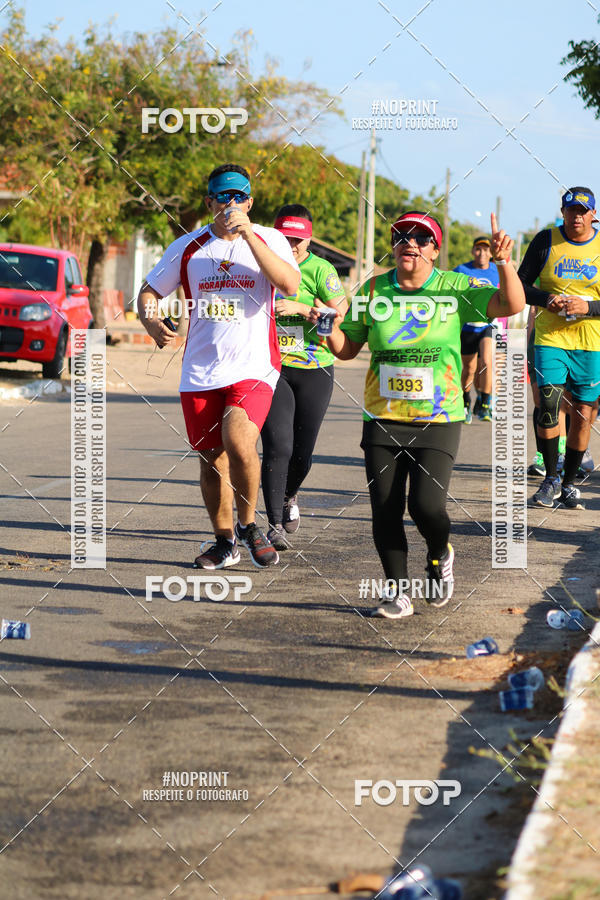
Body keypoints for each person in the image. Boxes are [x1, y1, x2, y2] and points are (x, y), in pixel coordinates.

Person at [315, 211, 525, 619]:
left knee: (427, 507)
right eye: (401, 236)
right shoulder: (373, 291)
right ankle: (397, 593)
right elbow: (346, 348)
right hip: (383, 417)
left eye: (421, 237)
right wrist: (326, 326)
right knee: (386, 508)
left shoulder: (455, 286)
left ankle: (439, 553)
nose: (410, 242)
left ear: (435, 249)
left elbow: (510, 304)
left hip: (440, 417)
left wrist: (503, 262)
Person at [137, 163, 300, 568]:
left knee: (239, 441)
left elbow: (289, 285)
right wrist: (152, 321)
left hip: (254, 366)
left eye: (240, 195)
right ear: (209, 201)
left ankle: (248, 525)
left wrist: (247, 234)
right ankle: (224, 541)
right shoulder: (188, 247)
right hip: (200, 370)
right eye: (223, 196)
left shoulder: (270, 238)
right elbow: (148, 292)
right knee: (211, 459)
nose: (232, 203)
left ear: (250, 200)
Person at [260, 204, 348, 549]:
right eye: (284, 238)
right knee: (277, 445)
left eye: (298, 240)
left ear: (309, 240)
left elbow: (338, 319)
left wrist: (303, 309)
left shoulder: (321, 270)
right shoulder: (262, 263)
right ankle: (274, 525)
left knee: (303, 452)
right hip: (270, 368)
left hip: (315, 366)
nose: (291, 245)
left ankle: (289, 495)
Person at [518, 186, 600, 510]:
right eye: (571, 210)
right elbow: (520, 285)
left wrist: (589, 307)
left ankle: (568, 484)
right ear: (562, 212)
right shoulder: (545, 240)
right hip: (550, 338)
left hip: (591, 344)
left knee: (583, 415)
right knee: (548, 405)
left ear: (593, 214)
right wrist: (546, 299)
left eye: (583, 211)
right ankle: (550, 479)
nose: (576, 216)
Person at [454, 236, 500, 423]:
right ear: (473, 251)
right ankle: (466, 401)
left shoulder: (497, 271)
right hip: (467, 327)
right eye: (478, 249)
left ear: (491, 254)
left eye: (486, 250)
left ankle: (485, 404)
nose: (482, 253)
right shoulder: (461, 270)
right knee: (469, 368)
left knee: (487, 363)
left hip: (487, 326)